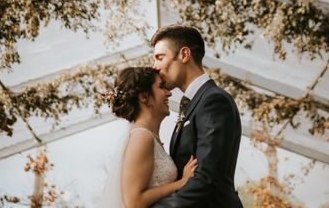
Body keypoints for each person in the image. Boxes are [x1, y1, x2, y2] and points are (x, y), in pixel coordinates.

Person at [150, 25, 243, 207]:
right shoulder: (196, 102)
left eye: (159, 58)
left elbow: (206, 180)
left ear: (184, 55)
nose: (155, 67)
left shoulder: (213, 101)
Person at [99, 67, 199, 208]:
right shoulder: (142, 137)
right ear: (144, 97)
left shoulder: (147, 136)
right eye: (161, 87)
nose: (169, 93)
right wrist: (181, 183)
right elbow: (134, 202)